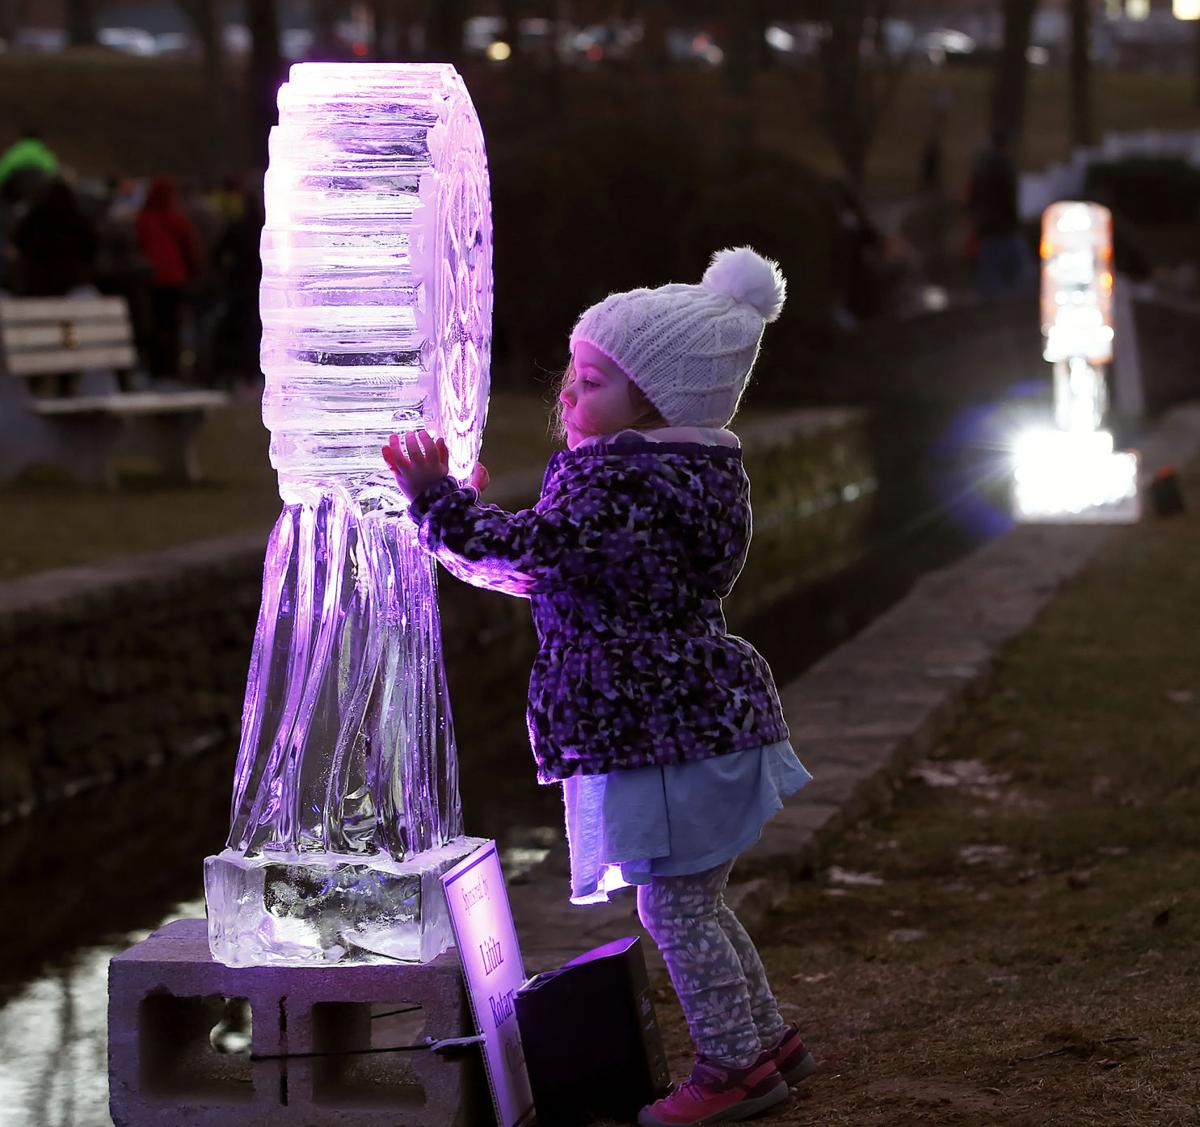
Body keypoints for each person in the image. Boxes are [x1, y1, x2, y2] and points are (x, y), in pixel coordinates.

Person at [384, 247, 816, 1126]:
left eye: (589, 383)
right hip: (704, 721)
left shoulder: (619, 483)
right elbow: (552, 561)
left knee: (676, 905)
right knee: (695, 897)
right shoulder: (680, 476)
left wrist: (435, 503)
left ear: (657, 405)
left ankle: (735, 1067)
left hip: (661, 729)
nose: (567, 399)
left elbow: (529, 555)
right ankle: (767, 1038)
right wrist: (469, 520)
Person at [135, 174, 202, 379]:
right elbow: (190, 248)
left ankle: (156, 368)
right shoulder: (177, 219)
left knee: (155, 324)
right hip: (175, 278)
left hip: (152, 278)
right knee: (173, 326)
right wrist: (193, 272)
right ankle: (172, 369)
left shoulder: (144, 220)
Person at [965, 127, 1034, 299]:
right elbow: (1011, 200)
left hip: (988, 230)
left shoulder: (981, 168)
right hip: (1005, 229)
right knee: (1020, 278)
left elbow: (972, 200)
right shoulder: (1005, 167)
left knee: (991, 281)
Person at [11, 177, 98, 296]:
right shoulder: (37, 218)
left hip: (62, 278)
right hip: (45, 276)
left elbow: (18, 240)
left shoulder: (37, 217)